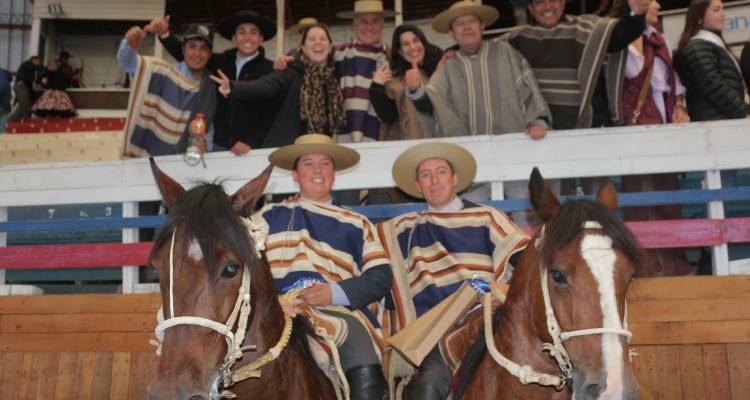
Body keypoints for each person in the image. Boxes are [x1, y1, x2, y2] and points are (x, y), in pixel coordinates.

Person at [377, 142, 530, 399]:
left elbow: (525, 258)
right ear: (417, 186)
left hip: (484, 321)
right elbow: (366, 256)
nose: (434, 180)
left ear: (455, 179)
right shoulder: (401, 229)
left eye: (441, 172)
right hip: (433, 332)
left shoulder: (487, 217)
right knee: (427, 386)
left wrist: (508, 288)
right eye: (425, 175)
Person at [250, 133, 391, 400]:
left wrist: (334, 293)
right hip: (277, 310)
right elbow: (244, 267)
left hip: (338, 312)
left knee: (364, 362)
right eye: (308, 163)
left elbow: (380, 277)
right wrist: (272, 300)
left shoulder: (356, 222)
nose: (317, 170)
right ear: (295, 174)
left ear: (333, 173)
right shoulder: (267, 216)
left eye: (325, 163)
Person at [407, 1, 551, 223]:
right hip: (473, 168)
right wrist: (416, 89)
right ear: (451, 33)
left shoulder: (504, 52)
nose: (467, 27)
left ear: (482, 26)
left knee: (526, 217)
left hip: (515, 156)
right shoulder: (449, 66)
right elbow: (433, 102)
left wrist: (539, 120)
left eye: (472, 21)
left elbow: (527, 85)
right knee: (473, 220)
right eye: (460, 24)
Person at [610, 0, 693, 276]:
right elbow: (633, 72)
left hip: (664, 130)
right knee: (643, 203)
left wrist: (680, 108)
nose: (657, 4)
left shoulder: (661, 40)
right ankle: (650, 270)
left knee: (668, 202)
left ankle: (676, 269)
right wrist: (635, 33)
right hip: (638, 133)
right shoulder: (626, 40)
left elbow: (674, 86)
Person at [152, 11, 278, 154]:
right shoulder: (220, 62)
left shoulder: (270, 69)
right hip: (218, 145)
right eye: (242, 32)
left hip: (250, 149)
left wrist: (251, 141)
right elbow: (191, 56)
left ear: (261, 38)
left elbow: (271, 112)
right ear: (234, 39)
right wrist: (164, 35)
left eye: (253, 32)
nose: (247, 37)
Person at [211, 24, 346, 147]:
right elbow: (265, 85)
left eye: (322, 39)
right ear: (303, 48)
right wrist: (233, 87)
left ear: (329, 47)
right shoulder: (291, 70)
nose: (317, 42)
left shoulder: (337, 76)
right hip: (287, 150)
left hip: (322, 148)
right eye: (311, 39)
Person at [117, 23, 216, 156]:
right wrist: (130, 46)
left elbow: (208, 125)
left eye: (203, 48)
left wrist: (206, 144)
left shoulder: (210, 87)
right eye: (192, 46)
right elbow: (127, 63)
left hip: (181, 165)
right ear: (183, 49)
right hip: (144, 160)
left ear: (210, 54)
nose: (197, 53)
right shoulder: (161, 72)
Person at [675, 0, 749, 122]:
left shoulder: (713, 45)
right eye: (716, 10)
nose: (723, 13)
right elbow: (713, 85)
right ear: (699, 16)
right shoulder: (696, 46)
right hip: (714, 123)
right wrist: (744, 112)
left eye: (723, 9)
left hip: (724, 120)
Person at [369, 24, 444, 139]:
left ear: (423, 43)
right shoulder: (393, 82)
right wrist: (377, 87)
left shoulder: (438, 69)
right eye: (406, 44)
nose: (413, 47)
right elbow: (388, 117)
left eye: (416, 40)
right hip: (406, 146)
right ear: (400, 52)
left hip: (441, 143)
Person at [31, 53, 77, 118]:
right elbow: (40, 78)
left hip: (58, 92)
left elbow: (68, 81)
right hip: (54, 92)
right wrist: (41, 84)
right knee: (52, 109)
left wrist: (42, 84)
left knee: (57, 109)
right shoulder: (50, 72)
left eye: (55, 65)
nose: (53, 66)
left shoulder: (62, 73)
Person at [7, 56, 44, 123]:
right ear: (33, 60)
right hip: (21, 87)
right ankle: (11, 120)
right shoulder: (28, 64)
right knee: (24, 105)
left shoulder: (32, 69)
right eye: (38, 61)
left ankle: (25, 121)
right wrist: (46, 68)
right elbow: (34, 68)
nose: (39, 63)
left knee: (27, 105)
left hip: (26, 88)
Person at [0, 67, 11, 132]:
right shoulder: (4, 74)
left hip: (1, 104)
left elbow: (1, 88)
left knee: (1, 128)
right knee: (1, 127)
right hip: (5, 105)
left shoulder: (1, 75)